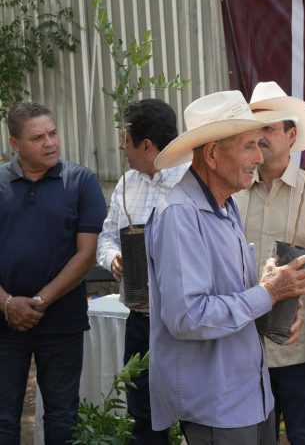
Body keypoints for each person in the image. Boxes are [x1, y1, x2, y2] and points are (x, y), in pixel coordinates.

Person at [145, 91, 305, 444]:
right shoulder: (180, 214)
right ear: (212, 154)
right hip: (216, 404)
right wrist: (267, 293)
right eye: (249, 146)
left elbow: (229, 298)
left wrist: (272, 304)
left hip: (249, 394)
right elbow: (187, 316)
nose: (259, 157)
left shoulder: (226, 205)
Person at [234, 82, 305, 445]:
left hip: (303, 352)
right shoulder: (232, 196)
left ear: (291, 136)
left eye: (269, 128)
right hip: (244, 349)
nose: (259, 137)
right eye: (254, 128)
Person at [0, 102, 106, 444]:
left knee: (62, 417)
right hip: (3, 323)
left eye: (53, 133)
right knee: (3, 419)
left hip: (62, 321)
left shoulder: (81, 181)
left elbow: (86, 254)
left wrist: (39, 301)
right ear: (14, 143)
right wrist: (8, 304)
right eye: (37, 138)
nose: (50, 143)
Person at [96, 98, 188, 444]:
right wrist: (113, 257)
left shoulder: (192, 181)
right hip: (140, 319)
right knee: (142, 412)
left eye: (126, 140)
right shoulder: (126, 184)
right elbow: (107, 235)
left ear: (146, 145)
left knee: (192, 409)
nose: (122, 148)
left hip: (183, 321)